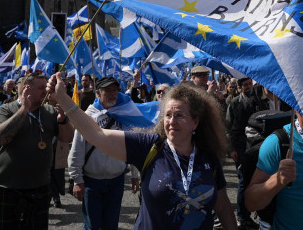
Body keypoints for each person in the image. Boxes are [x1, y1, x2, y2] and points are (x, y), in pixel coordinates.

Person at [51, 76, 237, 230]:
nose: (171, 121)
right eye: (168, 115)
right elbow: (96, 134)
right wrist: (62, 96)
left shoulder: (207, 155)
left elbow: (222, 205)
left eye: (179, 115)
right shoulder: (149, 146)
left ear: (195, 122)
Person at [0, 72, 73, 229]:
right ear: (26, 89)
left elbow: (67, 139)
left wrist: (63, 120)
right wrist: (24, 109)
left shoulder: (50, 111)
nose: (46, 91)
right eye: (41, 88)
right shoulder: (5, 110)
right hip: (9, 187)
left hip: (40, 187)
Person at [68, 76, 137, 229]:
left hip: (116, 181)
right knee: (92, 225)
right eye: (107, 90)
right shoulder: (87, 116)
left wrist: (134, 175)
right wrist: (77, 179)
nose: (112, 93)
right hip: (92, 181)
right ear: (98, 93)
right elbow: (77, 148)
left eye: (114, 90)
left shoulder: (124, 115)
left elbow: (131, 145)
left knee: (111, 225)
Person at [226, 77, 265, 229]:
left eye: (250, 84)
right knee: (243, 180)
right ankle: (243, 217)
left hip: (257, 145)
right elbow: (228, 127)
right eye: (246, 85)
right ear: (239, 87)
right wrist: (231, 149)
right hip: (241, 147)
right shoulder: (234, 103)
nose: (249, 87)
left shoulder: (257, 100)